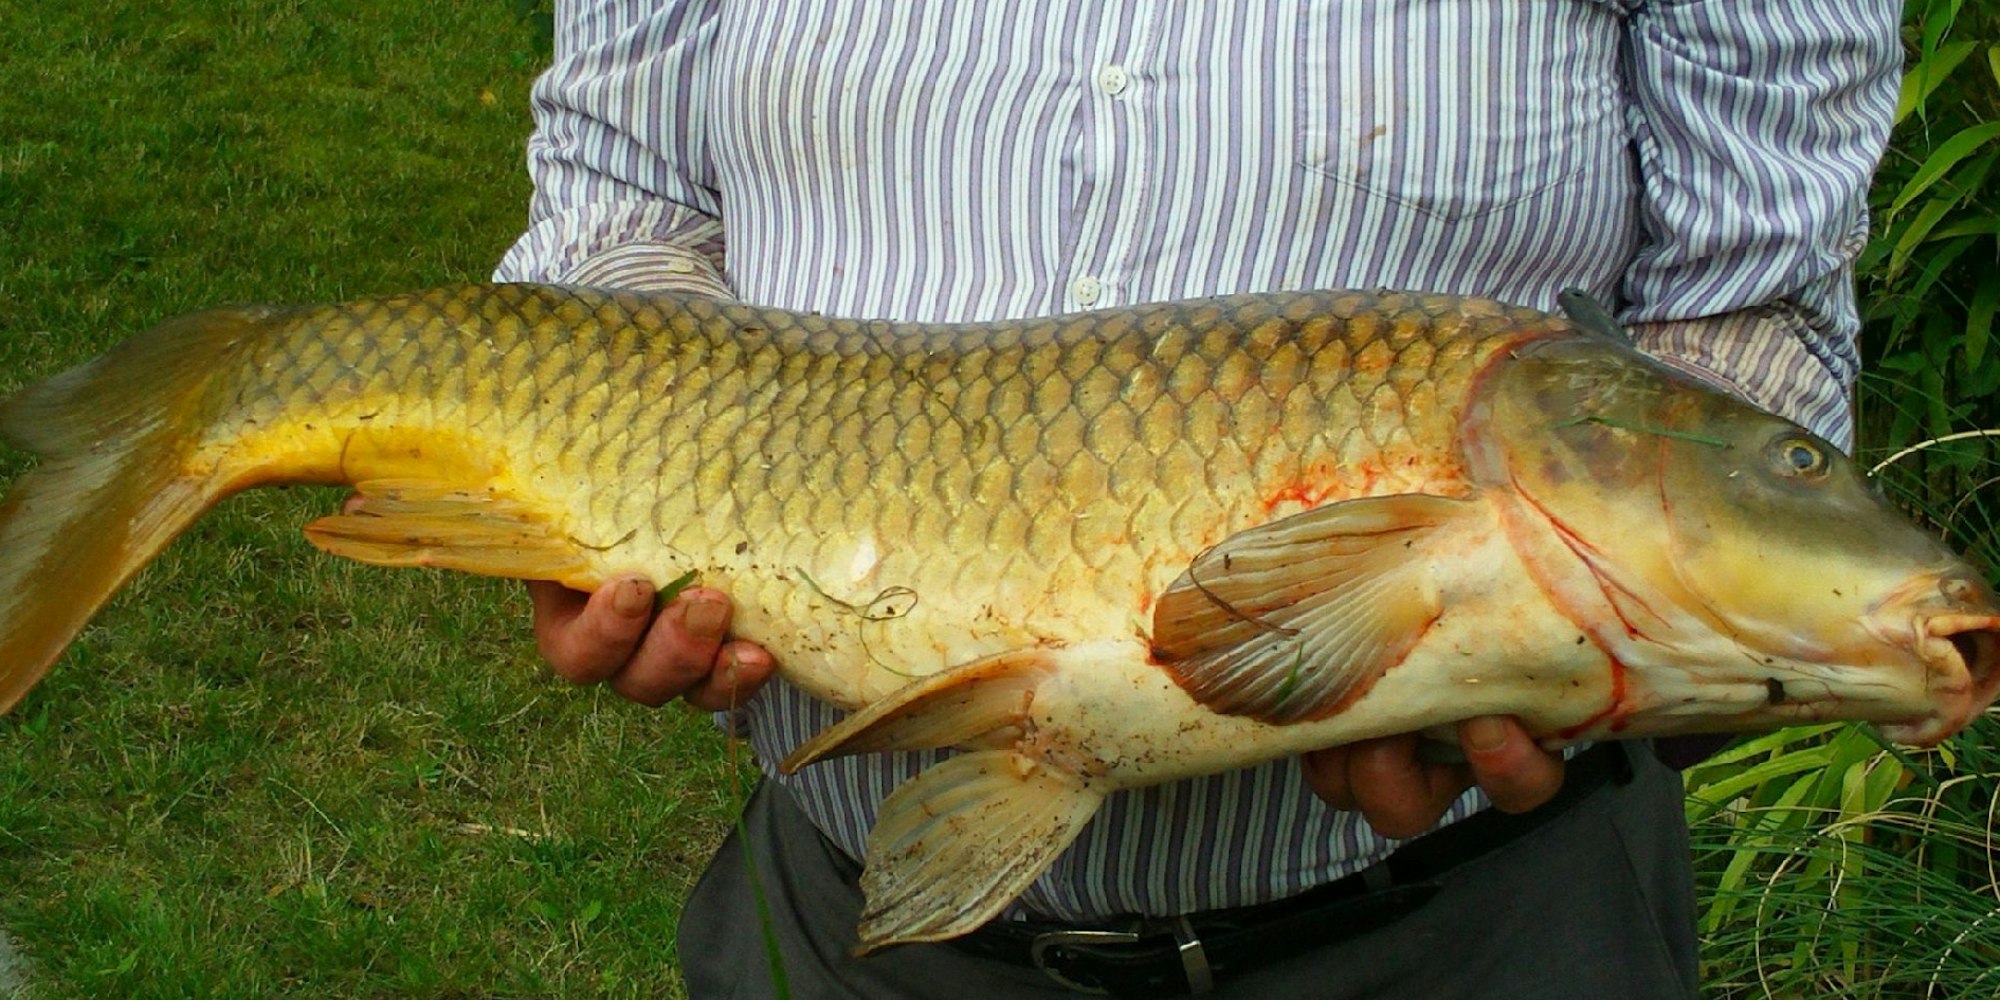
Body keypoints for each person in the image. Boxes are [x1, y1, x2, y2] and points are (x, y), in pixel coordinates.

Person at [493, 3, 1901, 996]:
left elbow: (1754, 300)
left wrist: (1576, 645)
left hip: (1465, 936)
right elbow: (624, 194)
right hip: (852, 929)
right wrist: (618, 497)